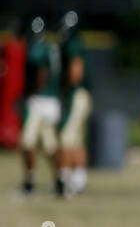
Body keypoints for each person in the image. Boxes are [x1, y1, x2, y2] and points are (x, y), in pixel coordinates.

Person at [18, 16, 63, 196]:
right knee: (50, 145)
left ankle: (30, 182)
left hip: (40, 101)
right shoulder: (52, 48)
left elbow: (42, 72)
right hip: (52, 101)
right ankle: (60, 180)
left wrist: (31, 91)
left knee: (27, 142)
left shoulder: (37, 49)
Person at [56, 11, 92, 196]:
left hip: (76, 94)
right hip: (82, 95)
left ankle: (66, 179)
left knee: (67, 136)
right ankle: (79, 178)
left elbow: (75, 71)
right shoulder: (76, 42)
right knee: (76, 139)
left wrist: (63, 87)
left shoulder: (72, 44)